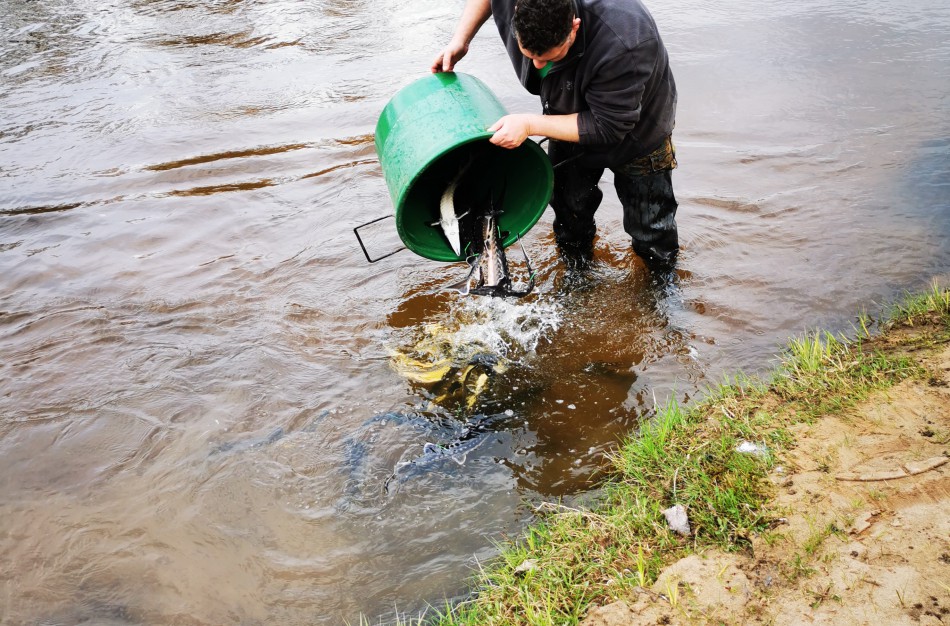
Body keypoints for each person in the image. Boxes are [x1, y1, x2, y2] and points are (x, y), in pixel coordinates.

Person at [431, 0, 679, 273]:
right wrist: (461, 40)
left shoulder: (626, 39)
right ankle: (578, 278)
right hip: (565, 115)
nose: (537, 65)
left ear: (574, 27)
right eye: (530, 55)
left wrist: (529, 124)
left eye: (549, 58)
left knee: (651, 233)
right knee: (569, 216)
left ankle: (661, 294)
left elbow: (608, 126)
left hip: (637, 134)